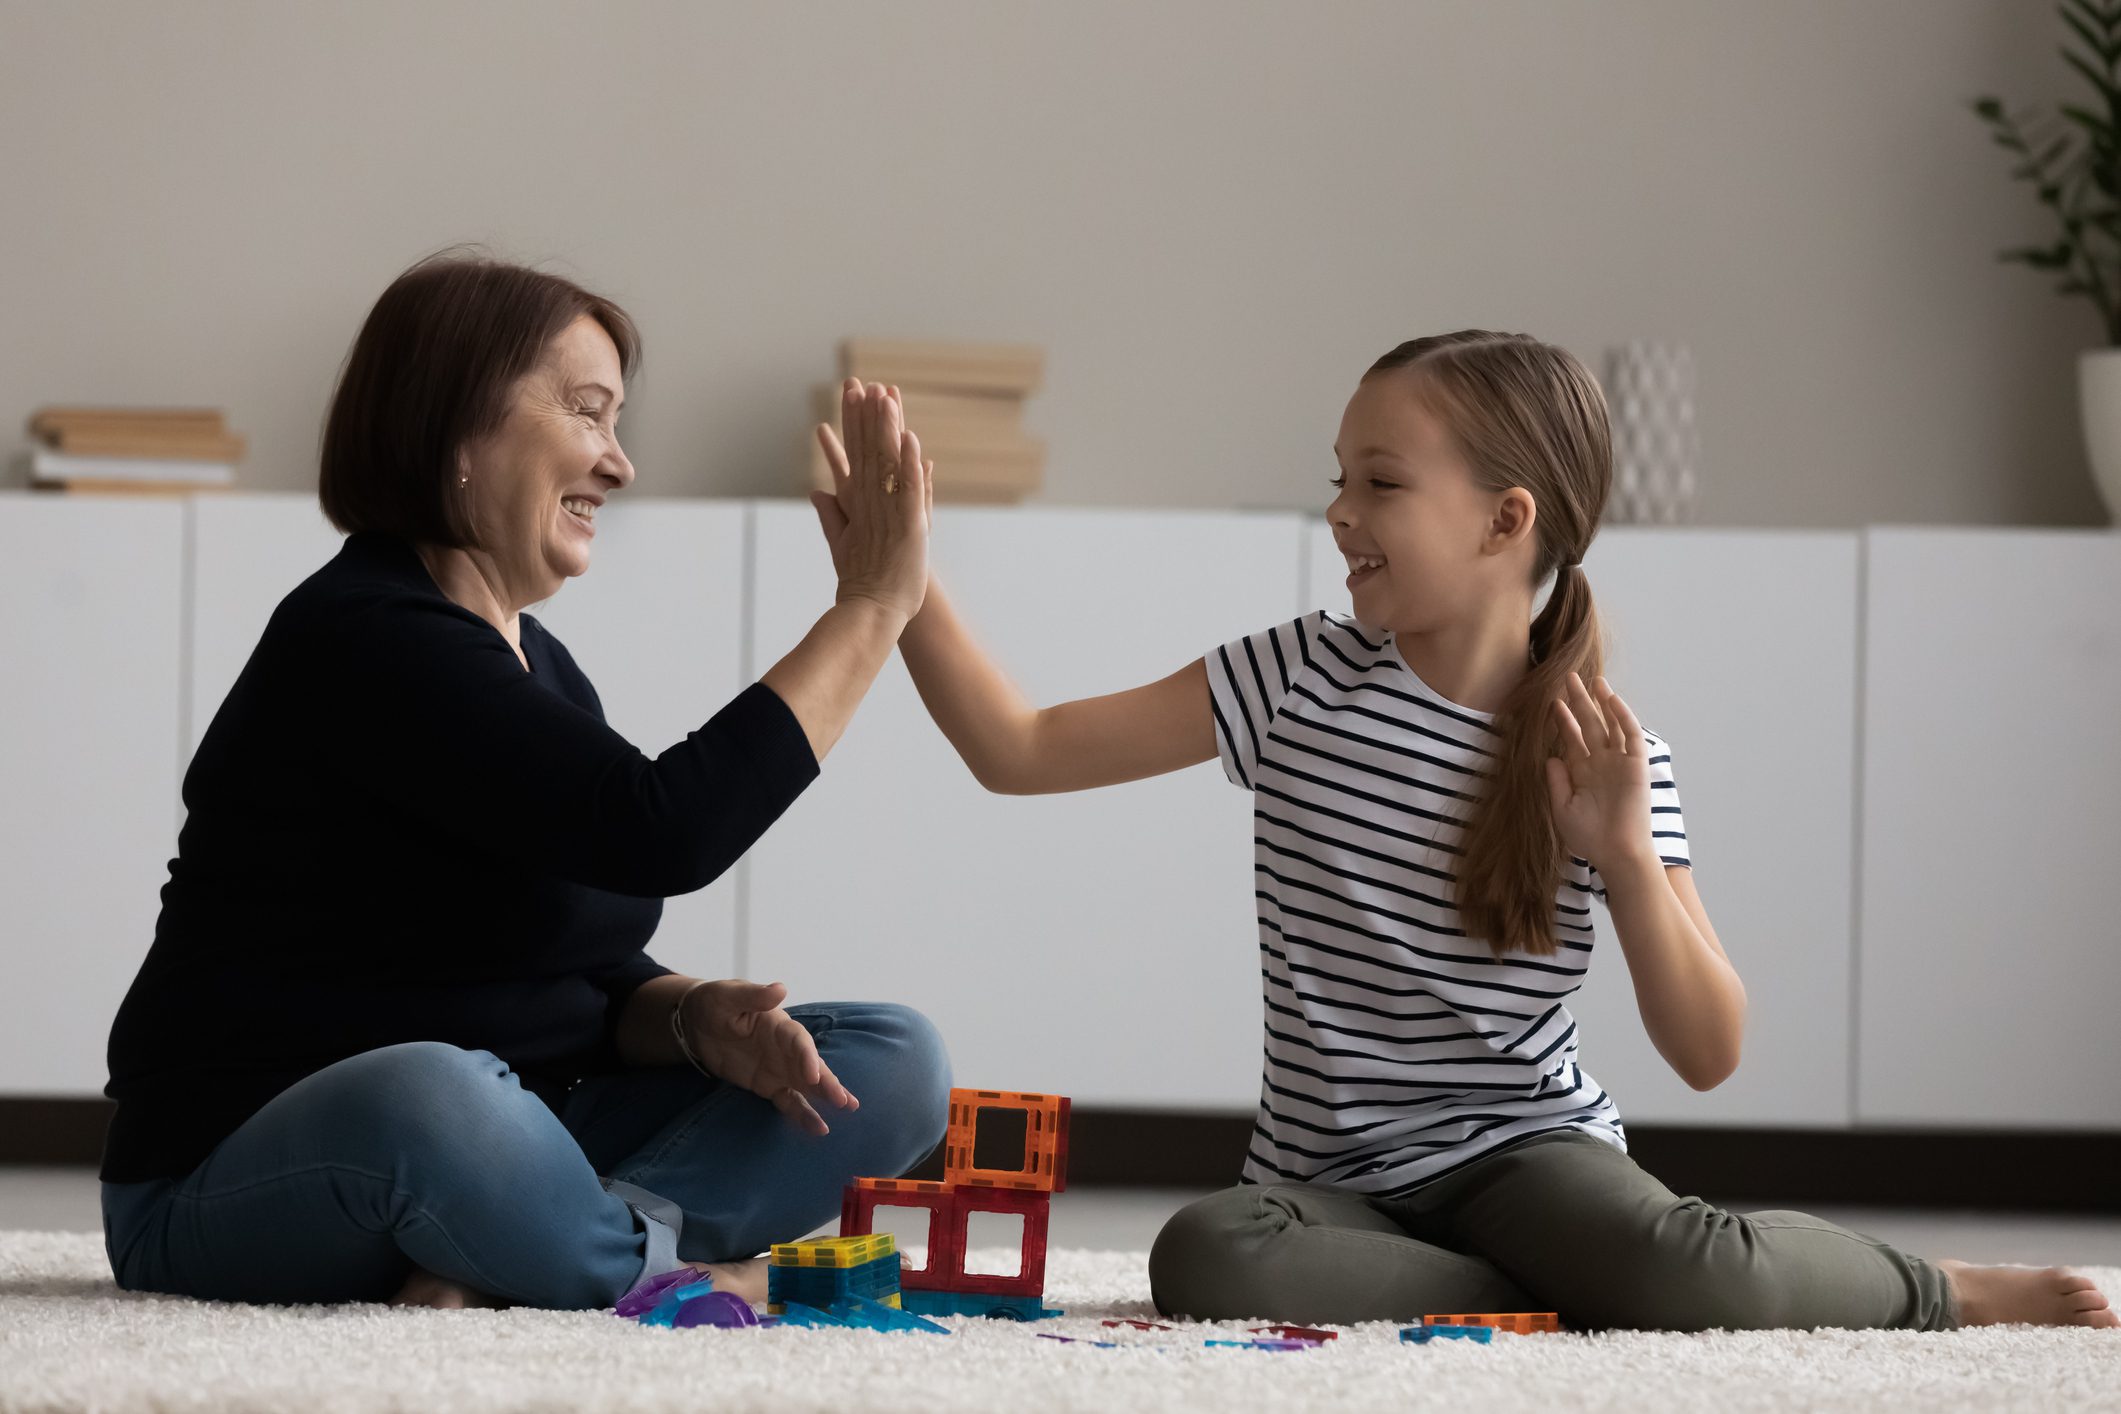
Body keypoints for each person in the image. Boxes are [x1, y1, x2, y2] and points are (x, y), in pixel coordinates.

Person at [821, 330, 2118, 1333]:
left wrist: (1619, 852)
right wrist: (900, 582)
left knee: (1685, 1264)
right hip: (1325, 1182)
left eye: (1380, 484)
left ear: (1507, 522)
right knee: (1205, 1256)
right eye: (1340, 479)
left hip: (1526, 1154)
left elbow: (1710, 1045)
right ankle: (1557, 1287)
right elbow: (1020, 749)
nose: (1340, 512)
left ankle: (1940, 1288)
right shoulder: (1295, 678)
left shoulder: (1605, 751)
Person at [101, 253, 947, 1311]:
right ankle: (663, 1274)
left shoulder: (536, 664)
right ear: (458, 426)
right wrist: (869, 608)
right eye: (589, 414)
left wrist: (690, 1016)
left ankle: (543, 1254)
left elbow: (570, 966)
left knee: (891, 1058)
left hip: (508, 1139)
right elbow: (664, 830)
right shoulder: (362, 638)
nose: (620, 463)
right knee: (435, 1091)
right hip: (228, 1181)